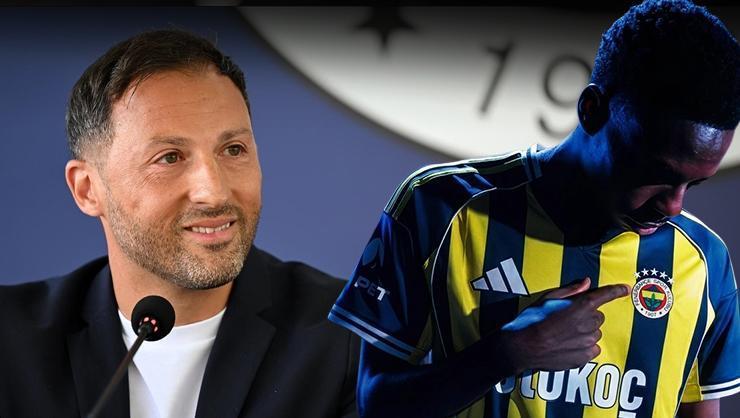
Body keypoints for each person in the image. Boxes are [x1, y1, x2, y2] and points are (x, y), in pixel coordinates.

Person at [329, 1, 739, 417]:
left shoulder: (705, 260)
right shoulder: (440, 204)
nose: (673, 205)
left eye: (693, 184)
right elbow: (375, 404)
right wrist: (507, 353)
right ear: (592, 110)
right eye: (655, 173)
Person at [0, 29, 358, 418]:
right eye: (169, 157)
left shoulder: (353, 336)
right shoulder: (11, 344)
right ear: (88, 190)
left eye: (233, 150)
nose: (214, 192)